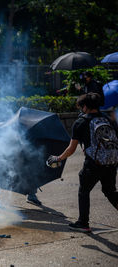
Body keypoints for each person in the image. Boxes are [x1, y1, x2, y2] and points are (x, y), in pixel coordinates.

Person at [47, 93, 118, 232]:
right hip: (111, 162)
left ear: (85, 106)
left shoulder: (81, 122)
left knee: (84, 191)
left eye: (81, 107)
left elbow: (71, 148)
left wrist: (58, 158)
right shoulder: (108, 119)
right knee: (110, 191)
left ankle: (83, 223)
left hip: (93, 164)